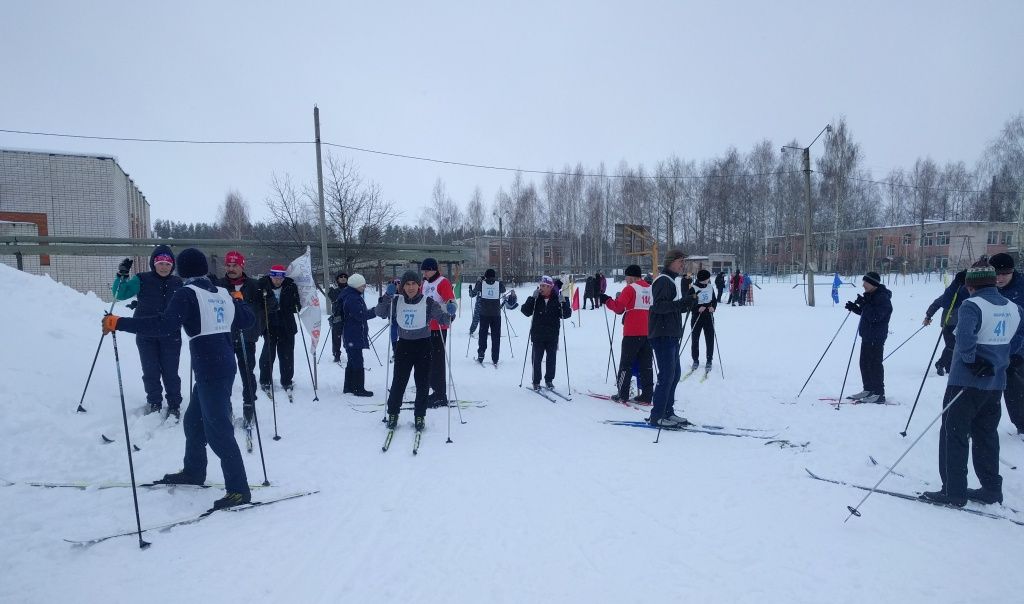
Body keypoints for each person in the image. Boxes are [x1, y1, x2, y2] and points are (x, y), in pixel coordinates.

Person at [102, 247, 256, 509]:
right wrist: (238, 301)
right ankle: (194, 471)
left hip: (211, 369)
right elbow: (247, 319)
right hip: (220, 364)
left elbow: (164, 326)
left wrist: (120, 322)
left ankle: (239, 490)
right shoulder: (220, 292)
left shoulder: (187, 293)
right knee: (194, 422)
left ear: (182, 271)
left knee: (218, 430)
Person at [921, 262, 1024, 506]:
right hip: (995, 384)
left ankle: (953, 491)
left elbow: (965, 341)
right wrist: (1003, 359)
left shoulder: (971, 305)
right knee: (986, 435)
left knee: (954, 434)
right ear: (992, 282)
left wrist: (974, 360)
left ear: (970, 285)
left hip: (965, 383)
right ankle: (991, 488)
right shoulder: (1013, 307)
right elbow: (1019, 340)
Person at [111, 245, 184, 418]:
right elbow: (120, 294)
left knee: (170, 372)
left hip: (171, 335)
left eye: (167, 263)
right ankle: (154, 402)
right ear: (154, 263)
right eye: (160, 262)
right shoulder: (141, 279)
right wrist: (121, 276)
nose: (164, 266)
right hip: (145, 334)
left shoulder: (178, 282)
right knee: (150, 371)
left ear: (172, 265)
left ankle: (174, 404)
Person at [374, 270, 451, 430]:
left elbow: (444, 320)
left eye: (414, 284)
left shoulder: (428, 302)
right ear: (402, 286)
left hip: (423, 346)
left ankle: (419, 416)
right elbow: (380, 312)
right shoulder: (397, 301)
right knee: (398, 383)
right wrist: (387, 296)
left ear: (419, 285)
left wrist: (450, 310)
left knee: (422, 384)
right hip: (404, 346)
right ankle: (393, 413)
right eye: (407, 284)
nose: (410, 287)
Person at [212, 250, 264, 424]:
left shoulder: (255, 285)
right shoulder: (218, 285)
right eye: (228, 265)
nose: (231, 268)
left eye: (235, 265)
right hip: (225, 336)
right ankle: (226, 407)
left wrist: (268, 295)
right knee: (224, 374)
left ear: (242, 266)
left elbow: (268, 307)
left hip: (247, 337)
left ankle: (249, 405)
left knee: (247, 373)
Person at [647, 250, 695, 427]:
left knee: (674, 375)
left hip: (670, 333)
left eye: (683, 261)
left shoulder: (671, 281)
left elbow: (672, 307)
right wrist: (681, 303)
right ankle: (657, 415)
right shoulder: (663, 281)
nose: (683, 264)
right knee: (667, 375)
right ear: (670, 262)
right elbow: (659, 307)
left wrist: (687, 303)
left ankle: (668, 411)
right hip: (662, 334)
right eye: (680, 261)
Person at [601, 264, 653, 403]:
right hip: (647, 332)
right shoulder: (649, 288)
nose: (626, 280)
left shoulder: (630, 289)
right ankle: (647, 395)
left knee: (626, 365)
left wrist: (607, 300)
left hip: (632, 332)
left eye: (626, 277)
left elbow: (619, 308)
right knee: (646, 365)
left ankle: (622, 394)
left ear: (631, 277)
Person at [844, 271, 893, 404]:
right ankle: (869, 389)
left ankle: (879, 394)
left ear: (873, 283)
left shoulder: (883, 298)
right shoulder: (871, 295)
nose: (863, 285)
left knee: (874, 364)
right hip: (867, 335)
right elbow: (867, 313)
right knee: (864, 363)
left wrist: (864, 305)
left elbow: (876, 316)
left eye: (865, 282)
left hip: (876, 336)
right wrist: (856, 308)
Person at [990, 252, 1024, 434]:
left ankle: (1022, 424)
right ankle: (981, 425)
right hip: (993, 348)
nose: (1000, 278)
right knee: (988, 389)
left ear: (1012, 272)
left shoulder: (1021, 288)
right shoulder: (987, 288)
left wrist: (1018, 353)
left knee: (1015, 386)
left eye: (1005, 273)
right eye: (997, 273)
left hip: (1018, 349)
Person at [521, 276, 572, 389]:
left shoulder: (556, 299)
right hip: (537, 334)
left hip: (552, 334)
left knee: (551, 359)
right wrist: (531, 298)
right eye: (541, 285)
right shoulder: (536, 298)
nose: (541, 288)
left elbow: (566, 314)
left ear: (550, 287)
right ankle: (536, 381)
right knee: (537, 359)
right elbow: (525, 311)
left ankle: (549, 380)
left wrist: (563, 302)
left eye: (544, 286)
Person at [420, 258, 458, 407]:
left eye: (427, 270)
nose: (425, 273)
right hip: (425, 327)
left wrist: (449, 314)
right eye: (424, 270)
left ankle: (440, 393)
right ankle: (432, 387)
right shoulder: (425, 283)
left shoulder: (443, 282)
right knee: (427, 360)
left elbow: (451, 302)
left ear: (434, 269)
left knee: (437, 361)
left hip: (439, 328)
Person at [258, 265, 301, 394]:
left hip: (286, 325)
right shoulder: (262, 285)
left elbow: (297, 304)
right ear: (271, 276)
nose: (278, 280)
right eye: (275, 277)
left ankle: (287, 380)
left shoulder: (290, 286)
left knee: (287, 354)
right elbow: (258, 303)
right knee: (268, 354)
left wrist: (296, 305)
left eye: (280, 278)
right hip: (269, 325)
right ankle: (265, 380)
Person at [924, 267, 969, 376]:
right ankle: (941, 364)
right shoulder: (951, 293)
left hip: (960, 324)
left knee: (953, 346)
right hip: (948, 324)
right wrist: (928, 316)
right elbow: (936, 304)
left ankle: (949, 366)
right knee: (952, 345)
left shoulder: (969, 293)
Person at [338, 273, 378, 397]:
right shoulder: (353, 298)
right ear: (356, 285)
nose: (364, 288)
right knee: (357, 360)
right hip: (353, 333)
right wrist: (376, 311)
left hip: (350, 333)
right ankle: (358, 388)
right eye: (362, 286)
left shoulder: (348, 294)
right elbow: (360, 315)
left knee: (352, 360)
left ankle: (348, 386)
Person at [470, 268, 506, 365]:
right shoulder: (498, 284)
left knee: (483, 335)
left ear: (485, 276)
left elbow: (472, 293)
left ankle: (481, 354)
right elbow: (503, 289)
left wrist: (478, 281)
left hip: (484, 314)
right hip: (496, 315)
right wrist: (500, 281)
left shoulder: (482, 284)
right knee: (496, 336)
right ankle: (495, 358)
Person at [689, 269, 718, 371]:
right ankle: (695, 360)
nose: (709, 280)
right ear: (703, 279)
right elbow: (689, 303)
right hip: (697, 317)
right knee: (695, 339)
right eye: (707, 278)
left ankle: (709, 360)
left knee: (710, 339)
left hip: (708, 317)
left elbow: (714, 301)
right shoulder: (693, 288)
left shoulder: (710, 287)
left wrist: (713, 308)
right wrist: (697, 308)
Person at [327, 272, 349, 363]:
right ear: (337, 279)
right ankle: (336, 354)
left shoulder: (351, 290)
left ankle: (350, 353)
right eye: (341, 277)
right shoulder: (334, 291)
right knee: (336, 338)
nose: (343, 278)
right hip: (337, 317)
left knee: (349, 337)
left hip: (349, 317)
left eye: (345, 277)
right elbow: (333, 298)